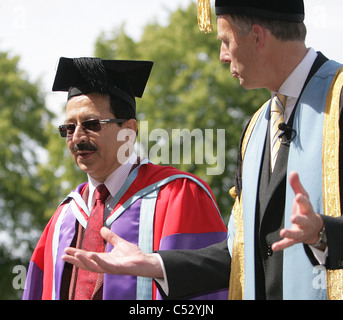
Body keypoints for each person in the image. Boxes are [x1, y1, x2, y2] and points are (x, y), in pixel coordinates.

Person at [62, 0, 343, 300]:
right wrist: (153, 264)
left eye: (225, 41)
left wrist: (325, 234)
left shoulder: (337, 101)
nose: (222, 56)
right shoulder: (256, 128)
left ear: (258, 37)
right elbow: (238, 255)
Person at [23, 57, 228, 300]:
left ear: (129, 131)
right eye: (69, 128)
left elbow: (208, 295)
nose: (77, 138)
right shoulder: (63, 218)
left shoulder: (179, 195)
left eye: (91, 124)